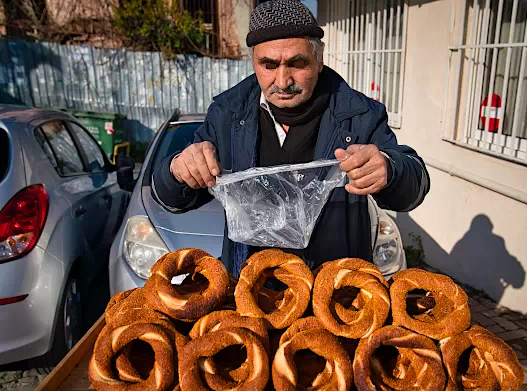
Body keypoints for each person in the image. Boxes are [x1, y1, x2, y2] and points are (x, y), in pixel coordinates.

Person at [153, 0, 430, 277]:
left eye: (297, 63)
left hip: (335, 298)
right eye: (269, 65)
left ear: (319, 61)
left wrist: (390, 169)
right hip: (250, 295)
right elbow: (173, 200)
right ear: (254, 62)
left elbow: (413, 190)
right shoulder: (227, 115)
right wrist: (178, 169)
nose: (283, 81)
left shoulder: (360, 115)